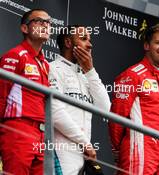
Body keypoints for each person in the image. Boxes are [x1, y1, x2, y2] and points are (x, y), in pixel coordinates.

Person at [109, 23, 159, 175]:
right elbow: (116, 118)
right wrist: (118, 149)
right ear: (146, 46)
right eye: (158, 42)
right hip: (138, 149)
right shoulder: (132, 75)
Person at [49, 25, 111, 175]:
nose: (90, 45)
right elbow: (56, 113)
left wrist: (90, 71)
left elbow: (106, 110)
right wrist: (85, 143)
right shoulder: (51, 68)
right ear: (68, 43)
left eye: (89, 39)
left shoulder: (86, 76)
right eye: (83, 39)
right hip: (60, 152)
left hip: (83, 156)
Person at [0, 9, 51, 175]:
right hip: (18, 130)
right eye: (38, 20)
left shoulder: (45, 64)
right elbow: (1, 96)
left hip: (41, 135)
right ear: (24, 28)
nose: (45, 24)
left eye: (48, 22)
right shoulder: (15, 55)